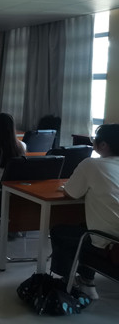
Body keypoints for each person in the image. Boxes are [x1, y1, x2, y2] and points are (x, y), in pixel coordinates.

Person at [50, 124, 119, 300]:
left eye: (95, 140)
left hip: (110, 244)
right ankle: (86, 279)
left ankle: (72, 282)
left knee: (60, 232)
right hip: (115, 240)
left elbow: (71, 193)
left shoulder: (91, 164)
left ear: (103, 145)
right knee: (84, 226)